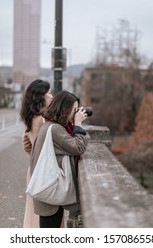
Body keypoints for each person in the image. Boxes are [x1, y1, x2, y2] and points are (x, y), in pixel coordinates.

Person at [30, 90, 90, 228]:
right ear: (65, 109)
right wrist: (78, 124)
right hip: (50, 192)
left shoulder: (49, 125)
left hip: (49, 188)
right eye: (74, 110)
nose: (76, 113)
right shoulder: (55, 129)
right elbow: (78, 147)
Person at [20, 79, 53, 227]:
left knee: (34, 210)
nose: (52, 96)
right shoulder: (41, 120)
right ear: (40, 97)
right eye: (49, 93)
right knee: (43, 213)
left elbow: (26, 144)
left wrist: (34, 155)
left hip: (35, 169)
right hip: (44, 171)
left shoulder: (32, 117)